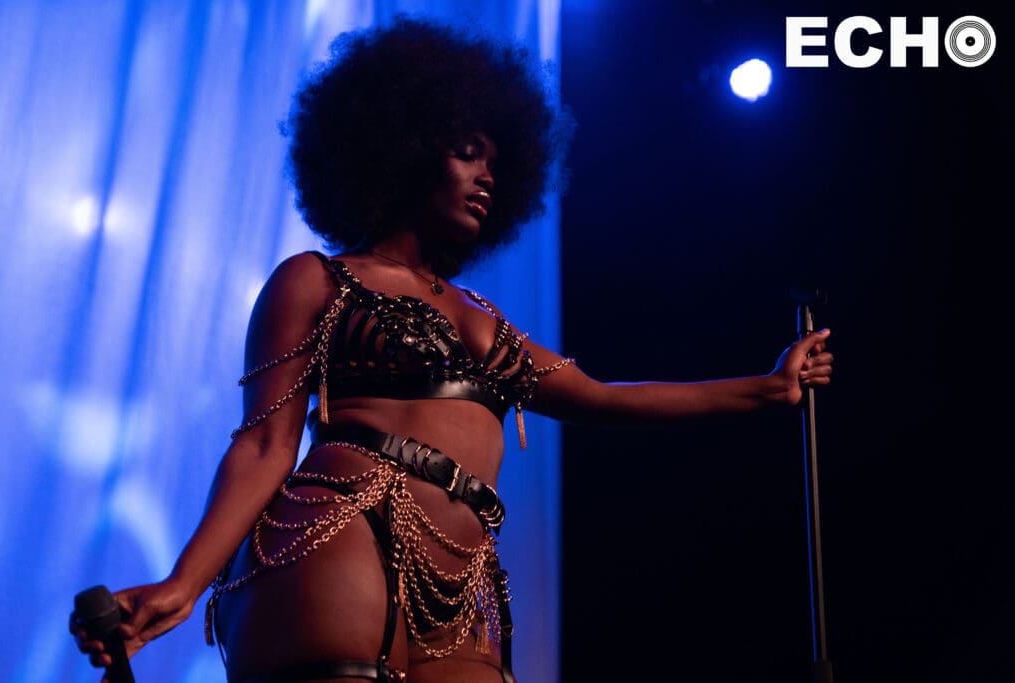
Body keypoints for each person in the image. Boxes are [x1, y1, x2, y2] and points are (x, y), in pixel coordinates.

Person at [71, 15, 833, 683]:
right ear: (402, 150)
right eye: (468, 153)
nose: (487, 178)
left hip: (461, 580)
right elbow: (266, 443)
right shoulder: (317, 280)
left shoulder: (485, 319)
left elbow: (602, 396)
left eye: (497, 164)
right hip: (341, 533)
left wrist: (768, 387)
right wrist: (182, 585)